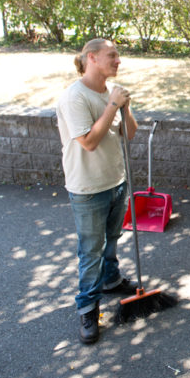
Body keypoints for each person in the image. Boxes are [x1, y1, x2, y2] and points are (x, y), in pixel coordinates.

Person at [56, 38, 139, 345]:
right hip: (88, 187)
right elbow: (89, 142)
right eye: (112, 55)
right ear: (91, 58)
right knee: (90, 250)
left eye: (117, 55)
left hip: (116, 180)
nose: (118, 60)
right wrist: (113, 106)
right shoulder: (74, 97)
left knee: (112, 239)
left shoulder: (109, 93)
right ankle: (88, 307)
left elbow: (128, 134)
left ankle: (111, 279)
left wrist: (124, 107)